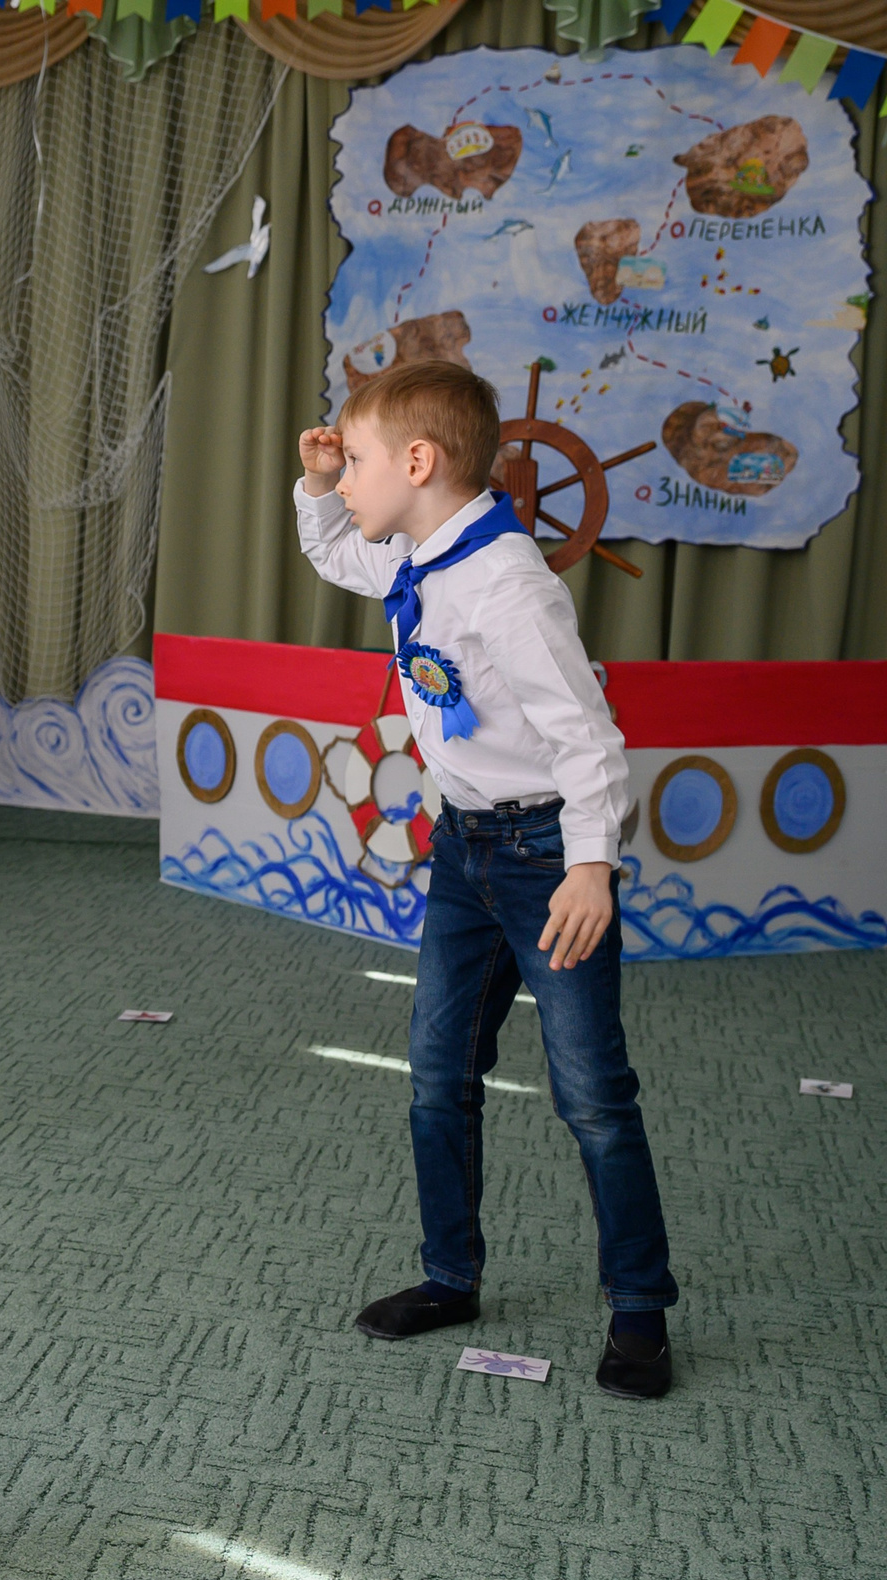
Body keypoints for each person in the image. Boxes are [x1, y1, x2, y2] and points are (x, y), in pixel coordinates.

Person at [295, 359, 678, 1400]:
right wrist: (319, 483)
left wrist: (591, 866)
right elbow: (339, 554)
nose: (348, 477)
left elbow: (588, 738)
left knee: (591, 1091)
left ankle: (639, 1307)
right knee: (436, 1076)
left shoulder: (506, 582)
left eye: (360, 460)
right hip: (463, 853)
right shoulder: (423, 553)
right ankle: (448, 1275)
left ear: (418, 462)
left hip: (547, 859)